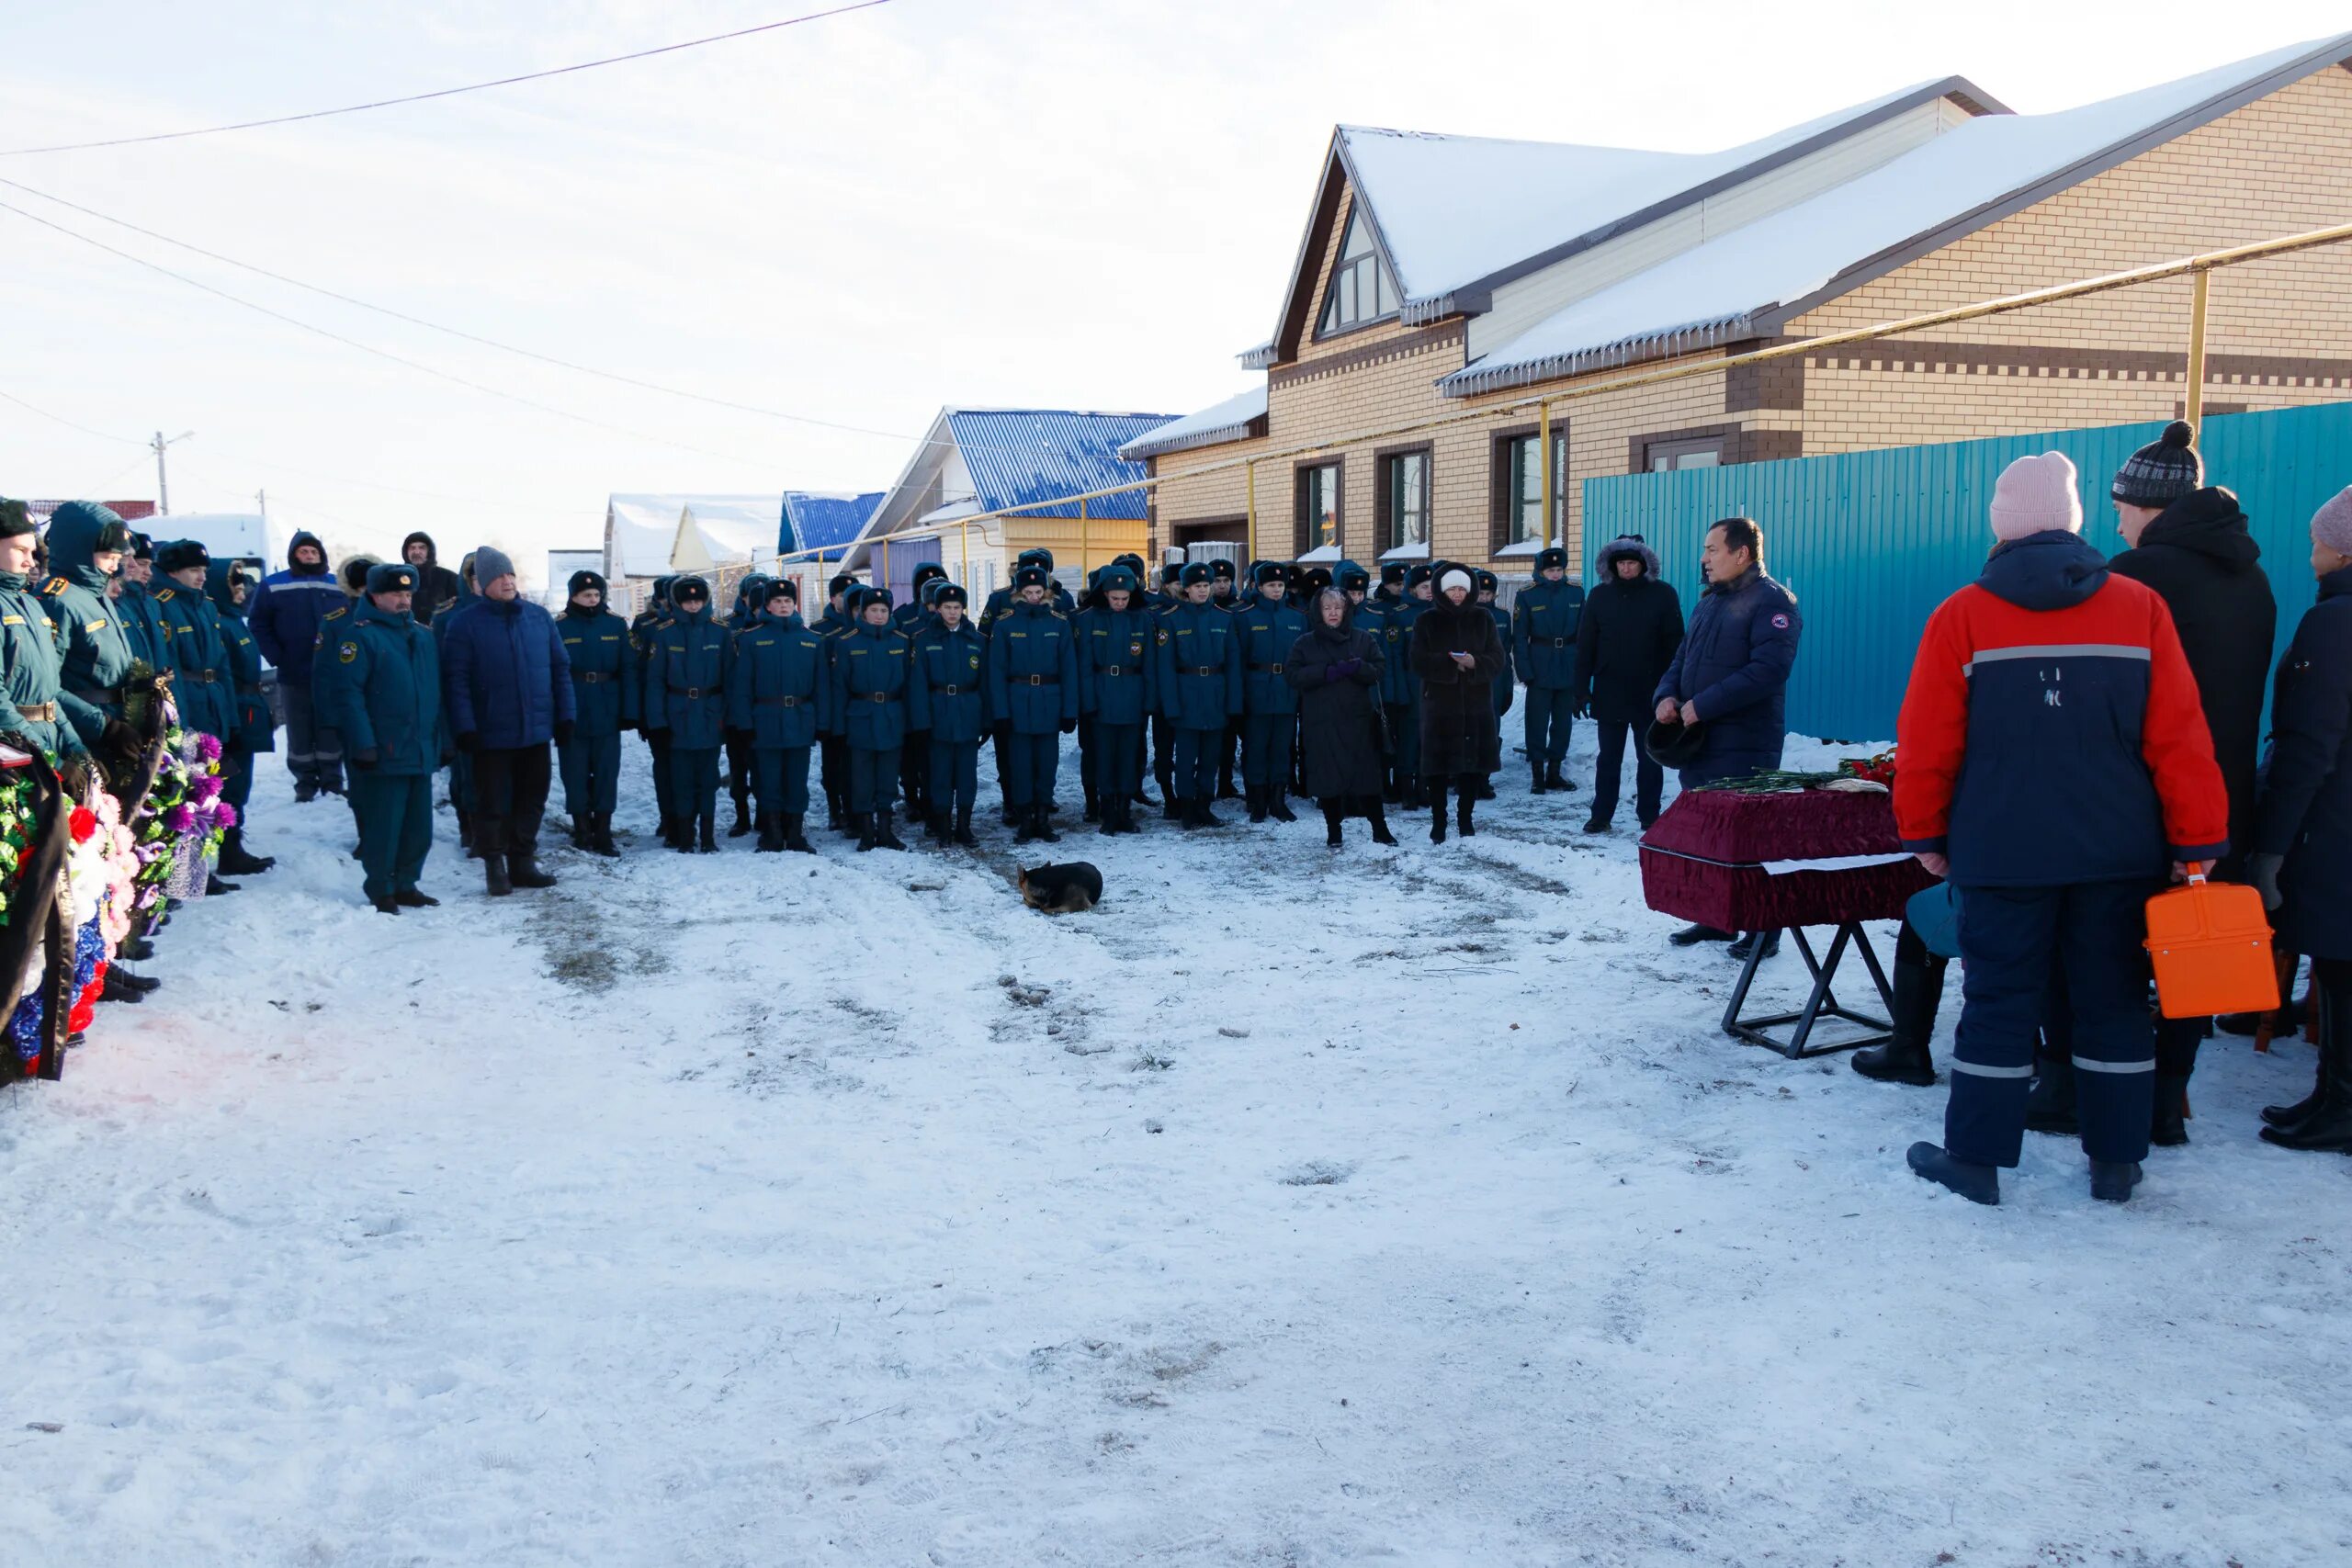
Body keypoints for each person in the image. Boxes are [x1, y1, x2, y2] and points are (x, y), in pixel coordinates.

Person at [1894, 450, 2228, 1206]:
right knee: (2112, 998)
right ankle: (2116, 1161)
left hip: (2002, 850)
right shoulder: (2140, 607)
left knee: (1999, 1000)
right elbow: (2179, 737)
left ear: (2003, 526)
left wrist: (1924, 831)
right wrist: (2196, 843)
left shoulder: (1962, 615)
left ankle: (1976, 1160)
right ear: (2077, 522)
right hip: (2118, 849)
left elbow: (1927, 739)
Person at [2102, 421, 2278, 1145]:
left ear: (2151, 508)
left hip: (2142, 795)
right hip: (2223, 795)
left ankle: (2115, 1093)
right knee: (2194, 951)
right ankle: (2170, 1098)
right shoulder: (2255, 578)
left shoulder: (2137, 578)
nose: (2117, 520)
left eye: (2123, 507)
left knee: (2121, 948)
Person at [2246, 488, 2352, 1152]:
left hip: (2335, 827)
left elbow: (2309, 743)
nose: (2310, 550)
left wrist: (2272, 844)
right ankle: (2331, 1095)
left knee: (2340, 965)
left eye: (2318, 539)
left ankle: (2340, 1106)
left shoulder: (2335, 622)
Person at [1653, 517, 1802, 955]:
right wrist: (1666, 695)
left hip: (1744, 742)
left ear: (1742, 553)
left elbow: (1768, 671)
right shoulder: (1710, 602)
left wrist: (1706, 704)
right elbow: (1683, 657)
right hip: (1700, 741)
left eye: (1712, 549)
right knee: (1710, 835)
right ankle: (1717, 917)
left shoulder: (1774, 602)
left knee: (1746, 837)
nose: (1704, 558)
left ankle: (1763, 928)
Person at [439, 547, 572, 896]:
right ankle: (495, 865)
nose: (508, 580)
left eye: (511, 574)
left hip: (535, 732)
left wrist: (566, 716)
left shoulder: (538, 618)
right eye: (499, 576)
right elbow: (456, 680)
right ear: (482, 584)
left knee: (533, 798)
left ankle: (522, 862)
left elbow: (560, 669)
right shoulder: (464, 624)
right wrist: (465, 727)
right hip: (490, 735)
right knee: (492, 803)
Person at [334, 563, 445, 914]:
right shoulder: (359, 636)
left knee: (419, 827)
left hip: (419, 746)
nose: (403, 600)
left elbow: (436, 692)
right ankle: (381, 887)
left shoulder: (424, 635)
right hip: (384, 749)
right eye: (396, 593)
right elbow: (349, 695)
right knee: (385, 824)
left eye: (408, 594)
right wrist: (363, 743)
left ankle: (407, 883)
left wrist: (445, 739)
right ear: (375, 595)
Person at [154, 541, 245, 895]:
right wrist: (181, 721)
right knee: (186, 792)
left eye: (204, 571)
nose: (201, 577)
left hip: (213, 701)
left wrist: (230, 718)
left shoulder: (206, 606)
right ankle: (187, 876)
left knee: (209, 790)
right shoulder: (165, 605)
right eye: (194, 571)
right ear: (174, 572)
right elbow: (172, 666)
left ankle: (202, 870)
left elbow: (221, 665)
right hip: (190, 703)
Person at [1577, 535, 1684, 834]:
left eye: (1632, 563)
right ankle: (1601, 815)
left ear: (1643, 565)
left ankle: (1650, 814)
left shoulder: (1663, 595)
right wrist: (1581, 689)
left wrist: (1674, 690)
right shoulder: (1599, 596)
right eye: (1621, 563)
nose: (1626, 568)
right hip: (1610, 689)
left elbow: (1676, 645)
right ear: (1613, 565)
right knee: (1608, 758)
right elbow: (1586, 645)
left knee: (1650, 757)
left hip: (1650, 692)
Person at [725, 578, 830, 853]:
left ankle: (795, 833)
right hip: (765, 719)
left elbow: (821, 687)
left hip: (800, 718)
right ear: (767, 607)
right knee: (768, 779)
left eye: (788, 601)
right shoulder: (751, 639)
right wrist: (744, 723)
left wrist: (822, 723)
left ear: (795, 604)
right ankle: (771, 833)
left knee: (797, 779)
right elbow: (743, 686)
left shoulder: (812, 640)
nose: (783, 606)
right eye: (777, 602)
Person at [1287, 586, 1395, 848]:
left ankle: (1379, 828)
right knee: (1328, 778)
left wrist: (1359, 668)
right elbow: (1292, 676)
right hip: (1322, 721)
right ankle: (1334, 830)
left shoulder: (1362, 639)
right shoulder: (1305, 642)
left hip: (1358, 721)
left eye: (1338, 608)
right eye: (1327, 608)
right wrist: (1326, 672)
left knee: (1367, 776)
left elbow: (1379, 670)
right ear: (1318, 611)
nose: (1333, 613)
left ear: (1346, 610)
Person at [248, 530, 345, 800]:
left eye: (314, 552)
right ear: (293, 555)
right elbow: (258, 623)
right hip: (294, 670)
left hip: (331, 673)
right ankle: (305, 782)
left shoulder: (336, 584)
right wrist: (277, 656)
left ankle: (333, 779)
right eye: (304, 551)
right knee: (299, 728)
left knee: (330, 725)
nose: (309, 556)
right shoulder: (273, 585)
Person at [34, 502, 138, 753]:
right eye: (107, 557)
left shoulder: (97, 596)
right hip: (85, 734)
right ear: (77, 550)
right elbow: (46, 685)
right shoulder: (57, 600)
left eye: (117, 558)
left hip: (117, 724)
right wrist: (102, 726)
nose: (115, 567)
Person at [1414, 568, 1506, 843]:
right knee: (1439, 766)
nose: (1457, 594)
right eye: (1452, 589)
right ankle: (1439, 821)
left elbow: (1498, 657)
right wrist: (1450, 665)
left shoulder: (1483, 618)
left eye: (1462, 589)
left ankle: (1466, 819)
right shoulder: (1426, 620)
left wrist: (1475, 663)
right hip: (1440, 704)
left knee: (1471, 764)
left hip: (1476, 703)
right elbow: (1417, 660)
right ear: (1442, 591)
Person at [988, 563, 1079, 844]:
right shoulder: (1005, 625)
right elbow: (996, 672)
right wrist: (1000, 712)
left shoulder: (1058, 624)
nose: (1034, 597)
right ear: (1019, 592)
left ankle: (1043, 818)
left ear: (1046, 591)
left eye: (1038, 591)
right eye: (1028, 591)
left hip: (1049, 702)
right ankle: (1025, 819)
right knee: (1021, 764)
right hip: (1017, 702)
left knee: (1047, 763)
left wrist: (1069, 711)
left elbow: (1069, 670)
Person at [643, 574, 730, 852]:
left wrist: (730, 719)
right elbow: (655, 681)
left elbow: (731, 679)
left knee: (708, 778)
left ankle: (707, 835)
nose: (693, 605)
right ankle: (684, 834)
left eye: (697, 600)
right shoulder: (665, 633)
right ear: (677, 603)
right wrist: (657, 721)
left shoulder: (720, 632)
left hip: (709, 714)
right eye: (687, 601)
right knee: (680, 778)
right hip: (677, 715)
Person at [555, 569, 639, 857]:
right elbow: (553, 672)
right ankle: (581, 829)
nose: (592, 600)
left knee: (606, 771)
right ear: (574, 596)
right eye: (585, 595)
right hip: (573, 705)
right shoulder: (560, 626)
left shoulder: (615, 625)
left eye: (596, 594)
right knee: (574, 772)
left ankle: (603, 831)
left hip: (607, 706)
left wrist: (629, 710)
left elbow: (628, 668)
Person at [832, 585, 922, 852]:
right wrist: (837, 726)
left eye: (884, 610)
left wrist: (913, 722)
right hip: (860, 716)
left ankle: (885, 830)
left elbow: (910, 686)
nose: (879, 615)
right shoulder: (847, 642)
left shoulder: (902, 641)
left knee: (887, 774)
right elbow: (839, 687)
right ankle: (866, 831)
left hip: (892, 715)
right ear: (863, 612)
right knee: (861, 776)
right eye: (874, 610)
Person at [1155, 561, 1242, 829]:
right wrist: (1171, 705)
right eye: (1197, 586)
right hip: (1186, 694)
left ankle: (1205, 805)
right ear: (1186, 589)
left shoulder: (1224, 618)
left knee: (1210, 757)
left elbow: (1233, 664)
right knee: (1185, 758)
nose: (1203, 591)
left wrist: (1233, 703)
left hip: (1215, 694)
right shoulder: (1171, 619)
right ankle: (1187, 808)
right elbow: (1165, 668)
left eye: (1207, 585)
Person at [206, 558, 277, 877]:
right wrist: (230, 720)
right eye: (235, 586)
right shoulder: (219, 623)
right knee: (229, 786)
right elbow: (223, 673)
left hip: (247, 707)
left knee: (240, 785)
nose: (241, 592)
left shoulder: (234, 619)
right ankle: (227, 851)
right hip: (234, 708)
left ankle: (233, 848)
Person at [0, 499, 85, 763]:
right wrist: (49, 761)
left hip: (47, 739)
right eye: (20, 550)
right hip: (16, 752)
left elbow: (49, 693)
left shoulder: (30, 604)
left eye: (32, 552)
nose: (31, 562)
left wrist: (76, 748)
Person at [1074, 564, 1154, 837]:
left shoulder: (1142, 620)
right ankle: (1107, 812)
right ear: (1104, 595)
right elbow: (1084, 666)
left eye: (1125, 598)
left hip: (1132, 696)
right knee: (1104, 758)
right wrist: (1088, 702)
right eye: (1115, 598)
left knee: (1129, 757)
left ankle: (1124, 811)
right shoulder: (1088, 620)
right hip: (1102, 693)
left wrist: (1148, 701)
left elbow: (1149, 664)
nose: (1120, 603)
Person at [910, 581, 987, 846]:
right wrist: (921, 721)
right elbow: (918, 684)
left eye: (957, 607)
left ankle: (964, 825)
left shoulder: (976, 641)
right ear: (937, 609)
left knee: (966, 774)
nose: (952, 612)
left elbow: (985, 683)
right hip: (938, 712)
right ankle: (943, 826)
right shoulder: (924, 640)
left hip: (968, 712)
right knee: (940, 774)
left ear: (963, 609)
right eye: (947, 607)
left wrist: (986, 720)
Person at [1232, 561, 1306, 824]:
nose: (1277, 590)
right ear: (1259, 587)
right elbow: (1237, 661)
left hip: (1286, 689)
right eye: (1271, 585)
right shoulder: (1245, 617)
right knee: (1256, 747)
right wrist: (1239, 696)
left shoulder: (1297, 617)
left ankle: (1278, 799)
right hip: (1256, 690)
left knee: (1282, 747)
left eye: (1281, 585)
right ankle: (1258, 800)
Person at [1513, 546, 1587, 796]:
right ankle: (1537, 774)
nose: (1555, 574)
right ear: (1540, 571)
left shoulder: (1575, 592)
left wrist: (1581, 670)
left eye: (1559, 569)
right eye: (1550, 570)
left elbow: (1583, 633)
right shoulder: (1527, 595)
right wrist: (1525, 671)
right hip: (1540, 663)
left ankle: (1554, 772)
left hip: (1567, 661)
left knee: (1563, 721)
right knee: (1537, 720)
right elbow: (1520, 637)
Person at [630, 574, 679, 842]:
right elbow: (637, 669)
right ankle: (667, 818)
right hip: (655, 707)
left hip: (685, 708)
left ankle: (684, 818)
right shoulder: (645, 624)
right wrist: (642, 714)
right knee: (664, 765)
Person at [116, 534, 178, 683]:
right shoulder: (116, 600)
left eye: (149, 565)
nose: (149, 572)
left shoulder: (152, 603)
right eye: (142, 564)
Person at [1473, 568, 1512, 800]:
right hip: (1472, 679)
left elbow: (1506, 652)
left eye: (1489, 594)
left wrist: (1507, 684)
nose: (1485, 599)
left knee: (1492, 729)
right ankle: (1467, 777)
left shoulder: (1502, 617)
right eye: (1481, 594)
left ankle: (1485, 777)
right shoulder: (1465, 616)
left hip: (1495, 681)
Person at [401, 531, 465, 626]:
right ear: (406, 552)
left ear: (429, 551)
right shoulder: (398, 578)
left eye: (422, 548)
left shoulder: (447, 578)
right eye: (412, 548)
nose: (417, 552)